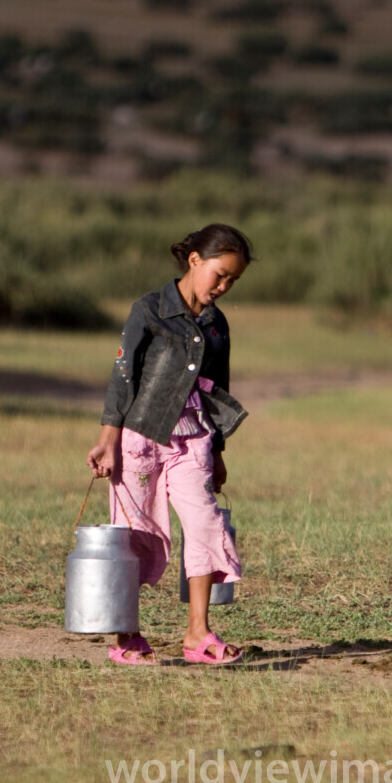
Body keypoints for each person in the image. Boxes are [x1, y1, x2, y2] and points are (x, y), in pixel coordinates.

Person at [86, 224, 253, 665]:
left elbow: (218, 389)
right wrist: (107, 440)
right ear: (194, 260)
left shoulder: (217, 326)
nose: (224, 286)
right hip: (139, 440)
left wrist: (218, 452)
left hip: (194, 439)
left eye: (233, 280)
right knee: (135, 535)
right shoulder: (148, 310)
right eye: (220, 274)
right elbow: (123, 377)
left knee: (205, 524)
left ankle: (198, 634)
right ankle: (126, 637)